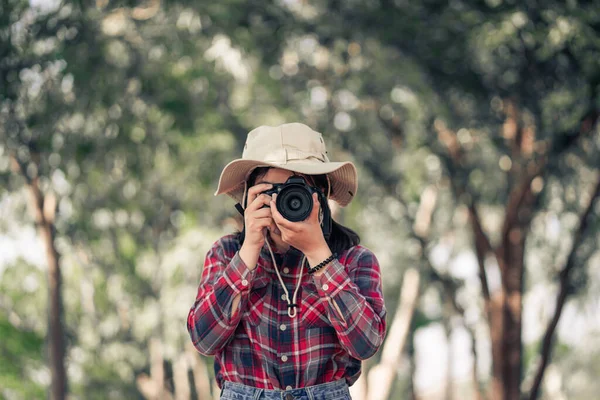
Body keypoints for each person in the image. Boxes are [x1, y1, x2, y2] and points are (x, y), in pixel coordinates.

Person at [187, 123, 386, 400]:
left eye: (296, 191)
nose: (285, 201)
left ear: (321, 197)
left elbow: (365, 345)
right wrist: (249, 251)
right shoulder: (226, 253)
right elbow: (203, 340)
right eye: (271, 191)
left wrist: (319, 255)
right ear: (248, 198)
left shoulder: (354, 260)